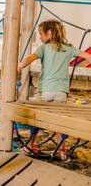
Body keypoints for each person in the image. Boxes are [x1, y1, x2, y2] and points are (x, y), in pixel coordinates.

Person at [17, 19, 91, 159]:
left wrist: (21, 64)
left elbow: (30, 58)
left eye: (41, 34)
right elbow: (87, 56)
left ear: (49, 33)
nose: (40, 37)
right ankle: (61, 151)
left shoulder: (44, 48)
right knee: (59, 122)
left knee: (36, 119)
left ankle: (29, 145)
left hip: (45, 91)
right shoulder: (69, 48)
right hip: (61, 93)